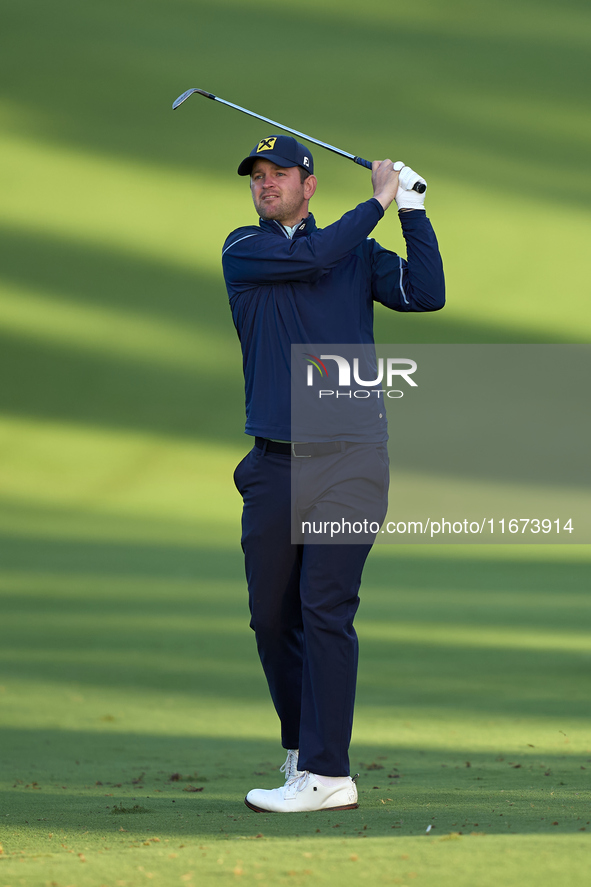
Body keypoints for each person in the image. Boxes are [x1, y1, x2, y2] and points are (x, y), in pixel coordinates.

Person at [222, 134, 445, 813]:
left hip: (351, 460)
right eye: (257, 176)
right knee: (270, 617)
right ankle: (300, 751)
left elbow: (424, 293)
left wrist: (411, 211)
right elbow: (315, 252)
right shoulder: (244, 248)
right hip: (273, 465)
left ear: (308, 184)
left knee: (324, 605)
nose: (265, 184)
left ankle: (327, 771)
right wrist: (377, 199)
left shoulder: (356, 254)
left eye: (279, 174)